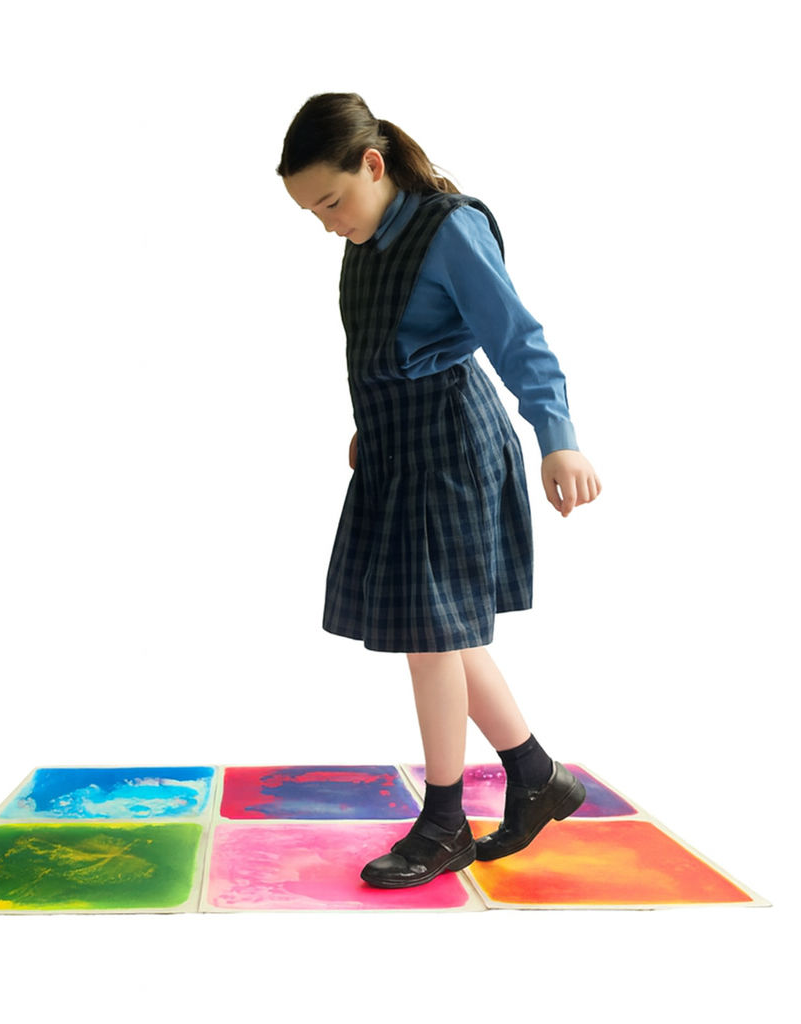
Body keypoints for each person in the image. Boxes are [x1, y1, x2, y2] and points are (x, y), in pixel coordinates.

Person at [278, 93, 602, 889]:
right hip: (399, 446)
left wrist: (558, 440)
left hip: (451, 448)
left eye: (332, 200)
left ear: (374, 165)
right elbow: (385, 344)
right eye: (311, 210)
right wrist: (371, 419)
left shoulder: (448, 228)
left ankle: (445, 821)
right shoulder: (365, 233)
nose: (326, 222)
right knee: (446, 633)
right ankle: (536, 776)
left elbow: (519, 338)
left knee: (429, 639)